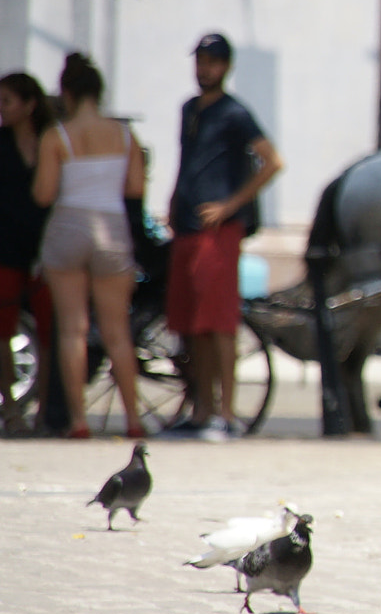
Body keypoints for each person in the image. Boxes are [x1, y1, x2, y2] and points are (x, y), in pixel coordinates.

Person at [166, 33, 282, 441]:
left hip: (219, 231)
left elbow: (272, 161)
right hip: (187, 226)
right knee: (191, 325)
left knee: (219, 323)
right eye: (200, 60)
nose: (204, 68)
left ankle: (227, 413)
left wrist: (231, 205)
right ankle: (201, 410)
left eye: (212, 61)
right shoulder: (189, 110)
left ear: (226, 66)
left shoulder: (236, 113)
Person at [31, 55, 147, 439]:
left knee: (72, 330)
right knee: (117, 331)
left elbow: (44, 193)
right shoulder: (126, 135)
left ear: (66, 92)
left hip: (68, 225)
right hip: (111, 226)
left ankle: (79, 421)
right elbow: (135, 188)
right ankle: (132, 419)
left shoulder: (56, 135)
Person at [0, 72, 55, 433]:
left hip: (47, 247)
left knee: (51, 330)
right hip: (5, 246)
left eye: (7, 101)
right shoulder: (1, 143)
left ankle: (47, 408)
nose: (2, 110)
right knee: (3, 328)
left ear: (29, 104)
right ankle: (10, 407)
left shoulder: (51, 141)